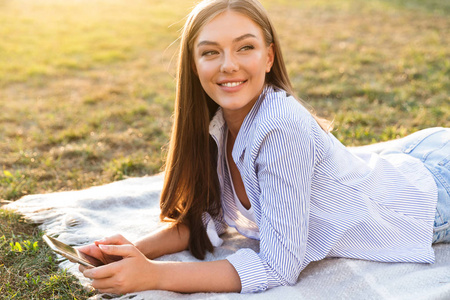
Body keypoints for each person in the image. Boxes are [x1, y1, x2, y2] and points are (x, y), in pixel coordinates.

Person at [77, 0, 450, 295]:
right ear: (192, 64)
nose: (228, 65)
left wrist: (155, 276)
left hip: (432, 194)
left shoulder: (280, 127)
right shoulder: (217, 124)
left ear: (268, 57)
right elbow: (208, 218)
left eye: (245, 47)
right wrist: (133, 253)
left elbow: (278, 266)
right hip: (407, 158)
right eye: (210, 52)